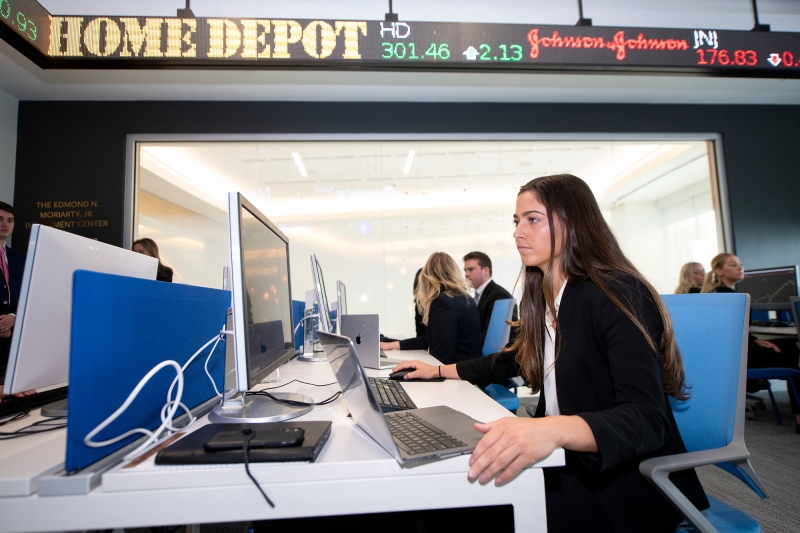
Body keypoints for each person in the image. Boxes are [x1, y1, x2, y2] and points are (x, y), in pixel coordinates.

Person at [391, 174, 708, 532]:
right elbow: (515, 359)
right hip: (567, 461)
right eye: (516, 221)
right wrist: (439, 371)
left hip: (618, 480)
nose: (517, 232)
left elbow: (648, 420)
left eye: (532, 219)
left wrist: (551, 430)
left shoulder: (616, 293)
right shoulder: (550, 294)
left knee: (455, 513)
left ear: (573, 223)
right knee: (437, 497)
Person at [703, 252, 800, 431]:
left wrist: (755, 341)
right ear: (719, 271)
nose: (740, 267)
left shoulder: (715, 293)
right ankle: (798, 415)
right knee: (793, 348)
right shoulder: (731, 296)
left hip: (728, 355)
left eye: (740, 263)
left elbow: (731, 329)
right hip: (740, 357)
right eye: (733, 264)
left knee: (787, 345)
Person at [379, 252, 482, 365]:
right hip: (470, 369)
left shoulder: (442, 302)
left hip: (457, 375)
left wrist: (415, 365)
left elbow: (442, 355)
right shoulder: (465, 298)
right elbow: (431, 339)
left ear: (428, 276)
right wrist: (391, 345)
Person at [0, 202, 31, 398]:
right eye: (0, 219)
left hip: (12, 343)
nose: (5, 224)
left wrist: (13, 316)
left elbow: (26, 294)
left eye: (10, 220)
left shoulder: (18, 258)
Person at [463, 251, 517, 338]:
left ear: (486, 270)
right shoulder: (478, 296)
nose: (466, 274)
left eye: (471, 269)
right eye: (465, 270)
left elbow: (494, 338)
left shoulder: (500, 296)